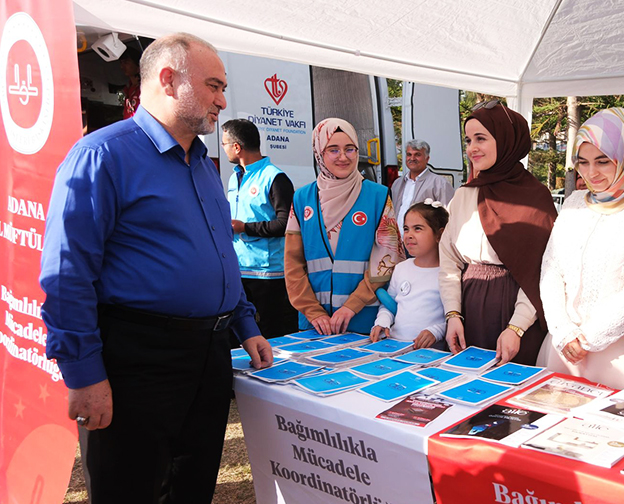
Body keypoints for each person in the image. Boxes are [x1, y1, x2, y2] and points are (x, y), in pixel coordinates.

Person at [39, 33, 273, 504]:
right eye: (213, 85)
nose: (223, 101)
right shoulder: (102, 156)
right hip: (137, 361)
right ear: (168, 80)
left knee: (192, 488)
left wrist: (245, 324)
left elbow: (221, 255)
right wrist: (84, 374)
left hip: (207, 357)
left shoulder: (205, 167)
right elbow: (67, 275)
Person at [537, 107, 624, 391]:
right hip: (564, 344)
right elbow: (551, 269)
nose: (591, 173)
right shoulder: (574, 202)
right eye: (582, 163)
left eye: (603, 161)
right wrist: (562, 331)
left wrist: (588, 339)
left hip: (619, 351)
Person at [440, 101, 557, 365]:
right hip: (469, 306)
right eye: (468, 140)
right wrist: (453, 314)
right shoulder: (463, 195)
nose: (472, 148)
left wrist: (517, 326)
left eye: (481, 138)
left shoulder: (535, 198)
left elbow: (541, 270)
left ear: (506, 140)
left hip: (518, 312)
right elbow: (448, 261)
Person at [285, 118, 404, 335]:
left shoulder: (378, 196)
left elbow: (388, 258)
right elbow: (293, 264)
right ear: (319, 152)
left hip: (364, 320)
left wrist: (352, 305)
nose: (343, 157)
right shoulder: (302, 198)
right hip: (315, 325)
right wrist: (313, 311)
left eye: (350, 149)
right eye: (333, 150)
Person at [223, 118, 298, 340]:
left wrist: (245, 227)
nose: (223, 148)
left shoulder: (275, 178)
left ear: (237, 147)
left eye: (225, 143)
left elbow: (286, 224)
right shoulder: (234, 177)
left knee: (270, 335)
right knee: (240, 336)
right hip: (239, 270)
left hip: (268, 274)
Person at [371, 200, 449, 348]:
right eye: (406, 229)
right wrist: (382, 322)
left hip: (429, 355)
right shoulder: (401, 268)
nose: (409, 235)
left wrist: (436, 331)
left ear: (440, 234)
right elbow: (389, 305)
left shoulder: (448, 273)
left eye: (417, 229)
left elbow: (455, 316)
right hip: (394, 347)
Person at [391, 139, 455, 232]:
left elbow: (449, 216)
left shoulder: (439, 183)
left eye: (417, 155)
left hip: (424, 244)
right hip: (398, 242)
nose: (412, 158)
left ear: (427, 159)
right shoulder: (397, 183)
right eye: (409, 154)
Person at [118, 46, 141, 119]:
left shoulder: (145, 87)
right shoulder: (128, 88)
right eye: (121, 63)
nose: (122, 66)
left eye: (126, 62)